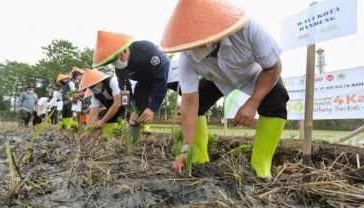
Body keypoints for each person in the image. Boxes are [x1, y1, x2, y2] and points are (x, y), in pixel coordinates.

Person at [159, 0, 289, 180]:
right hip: (217, 79)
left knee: (277, 98)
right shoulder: (187, 57)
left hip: (255, 74)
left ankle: (260, 167)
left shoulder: (248, 29)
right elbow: (189, 104)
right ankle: (197, 155)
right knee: (198, 106)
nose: (191, 49)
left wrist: (251, 104)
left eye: (199, 42)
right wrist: (185, 148)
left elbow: (273, 68)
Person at [92, 30, 179, 134]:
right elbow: (125, 91)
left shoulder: (147, 50)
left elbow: (160, 81)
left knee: (184, 89)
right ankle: (141, 130)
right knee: (139, 99)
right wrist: (131, 110)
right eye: (113, 62)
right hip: (144, 80)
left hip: (165, 73)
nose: (117, 64)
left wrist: (152, 108)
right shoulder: (120, 69)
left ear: (124, 50)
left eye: (119, 58)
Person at [78, 69, 125, 139]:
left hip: (125, 99)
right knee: (109, 122)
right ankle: (110, 139)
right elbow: (93, 113)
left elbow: (117, 103)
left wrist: (103, 121)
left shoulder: (113, 82)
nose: (92, 89)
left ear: (99, 81)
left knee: (125, 116)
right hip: (112, 105)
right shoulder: (95, 95)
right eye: (90, 87)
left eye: (93, 86)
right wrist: (87, 131)